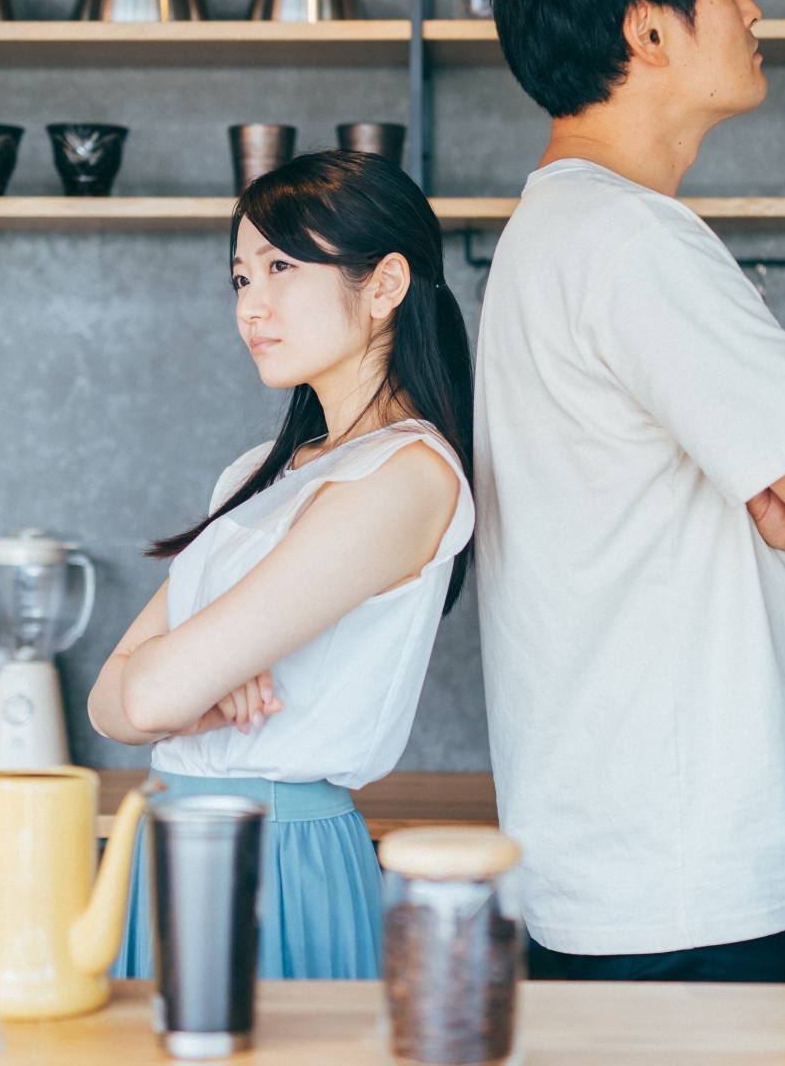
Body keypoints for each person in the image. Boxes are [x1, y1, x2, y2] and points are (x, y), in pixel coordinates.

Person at [474, 0, 785, 983]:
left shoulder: (561, 228)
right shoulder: (633, 242)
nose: (754, 13)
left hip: (627, 854)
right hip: (673, 870)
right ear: (649, 28)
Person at [85, 149, 475, 981]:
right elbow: (107, 705)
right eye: (239, 278)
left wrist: (179, 687)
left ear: (384, 285)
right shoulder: (260, 471)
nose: (250, 305)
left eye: (281, 267)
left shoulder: (405, 474)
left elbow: (145, 692)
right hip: (165, 834)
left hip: (275, 850)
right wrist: (195, 687)